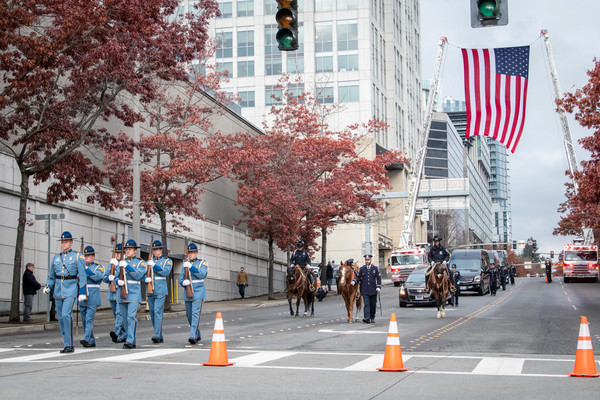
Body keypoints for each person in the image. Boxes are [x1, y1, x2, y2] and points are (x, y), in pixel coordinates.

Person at [42, 231, 87, 353]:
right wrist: (48, 286)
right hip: (58, 290)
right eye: (62, 242)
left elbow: (82, 276)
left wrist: (82, 291)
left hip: (71, 288)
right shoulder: (56, 258)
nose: (64, 244)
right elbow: (51, 276)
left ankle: (69, 345)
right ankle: (66, 342)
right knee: (61, 318)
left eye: (66, 242)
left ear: (71, 243)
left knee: (66, 315)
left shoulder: (78, 256)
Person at [116, 239, 147, 349]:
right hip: (121, 292)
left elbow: (138, 276)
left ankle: (130, 340)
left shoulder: (140, 263)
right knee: (125, 318)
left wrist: (127, 267)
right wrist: (117, 281)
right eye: (126, 249)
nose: (127, 251)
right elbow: (115, 277)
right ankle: (131, 340)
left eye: (130, 249)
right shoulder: (121, 262)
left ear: (135, 251)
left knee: (130, 317)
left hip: (133, 292)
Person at [180, 243, 208, 345]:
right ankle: (197, 333)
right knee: (189, 315)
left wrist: (191, 267)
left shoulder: (202, 263)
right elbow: (181, 279)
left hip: (198, 292)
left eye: (192, 252)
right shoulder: (185, 264)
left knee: (195, 314)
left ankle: (192, 335)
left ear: (196, 253)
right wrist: (183, 283)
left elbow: (202, 274)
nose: (190, 255)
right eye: (189, 253)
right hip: (188, 291)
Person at [146, 240, 173, 344]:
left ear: (161, 250)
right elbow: (144, 273)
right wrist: (146, 279)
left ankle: (156, 334)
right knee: (152, 314)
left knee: (157, 312)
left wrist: (155, 266)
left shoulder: (167, 261)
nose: (155, 252)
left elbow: (165, 272)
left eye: (157, 249)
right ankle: (159, 334)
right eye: (154, 250)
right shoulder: (149, 261)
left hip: (160, 290)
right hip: (150, 289)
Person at [79, 246, 105, 348]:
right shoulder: (81, 267)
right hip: (82, 295)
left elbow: (97, 277)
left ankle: (86, 338)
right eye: (85, 256)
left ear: (93, 256)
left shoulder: (98, 267)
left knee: (89, 319)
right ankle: (91, 340)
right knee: (85, 320)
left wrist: (86, 269)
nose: (87, 257)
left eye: (89, 255)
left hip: (93, 296)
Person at [105, 242, 126, 343]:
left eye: (119, 253)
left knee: (119, 314)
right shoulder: (111, 264)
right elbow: (104, 278)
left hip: (120, 291)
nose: (118, 255)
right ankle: (123, 334)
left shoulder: (124, 263)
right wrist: (109, 277)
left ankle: (116, 332)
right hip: (112, 293)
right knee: (117, 315)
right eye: (116, 253)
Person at [351, 254, 382, 324]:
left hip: (373, 289)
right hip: (365, 290)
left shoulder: (375, 268)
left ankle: (372, 317)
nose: (367, 261)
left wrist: (378, 286)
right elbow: (358, 277)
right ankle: (367, 318)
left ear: (371, 260)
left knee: (373, 304)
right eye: (366, 260)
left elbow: (379, 278)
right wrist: (354, 281)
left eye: (368, 260)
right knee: (366, 304)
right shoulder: (362, 269)